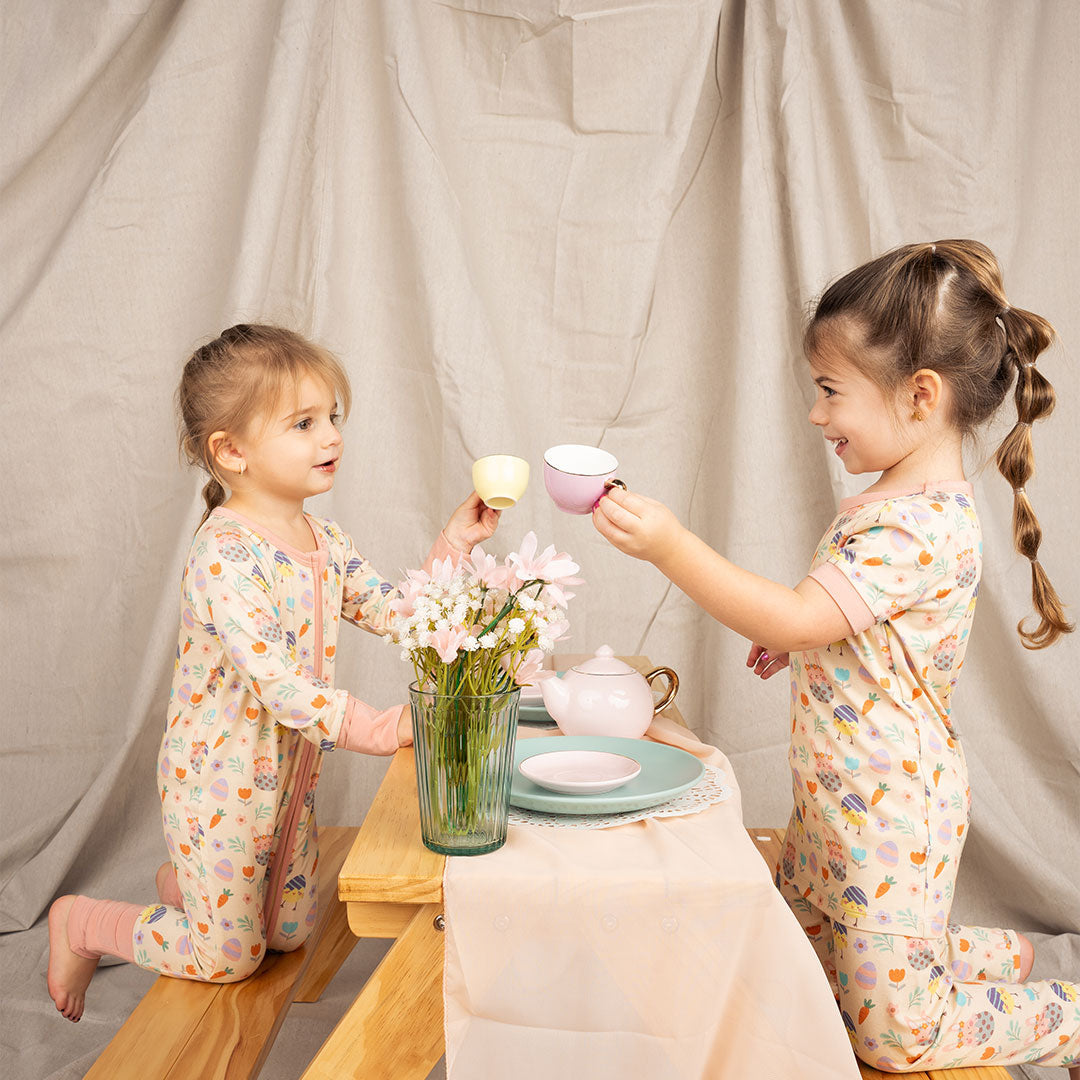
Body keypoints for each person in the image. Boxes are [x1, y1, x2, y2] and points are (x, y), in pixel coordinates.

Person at [592, 241, 1079, 1074]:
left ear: (920, 396)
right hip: (837, 804)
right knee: (810, 981)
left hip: (890, 816)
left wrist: (673, 547)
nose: (817, 416)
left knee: (891, 1037)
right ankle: (1017, 960)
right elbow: (852, 621)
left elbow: (802, 611)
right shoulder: (890, 503)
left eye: (830, 391)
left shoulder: (917, 525)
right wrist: (807, 642)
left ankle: (1063, 1012)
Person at [47, 324, 500, 1021]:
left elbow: (396, 613)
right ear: (232, 451)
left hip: (288, 776)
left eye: (332, 418)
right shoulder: (226, 556)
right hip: (219, 781)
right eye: (303, 423)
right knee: (229, 960)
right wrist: (382, 728)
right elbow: (280, 686)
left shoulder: (322, 537)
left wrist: (454, 543)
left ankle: (189, 885)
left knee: (288, 934)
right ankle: (83, 922)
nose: (330, 437)